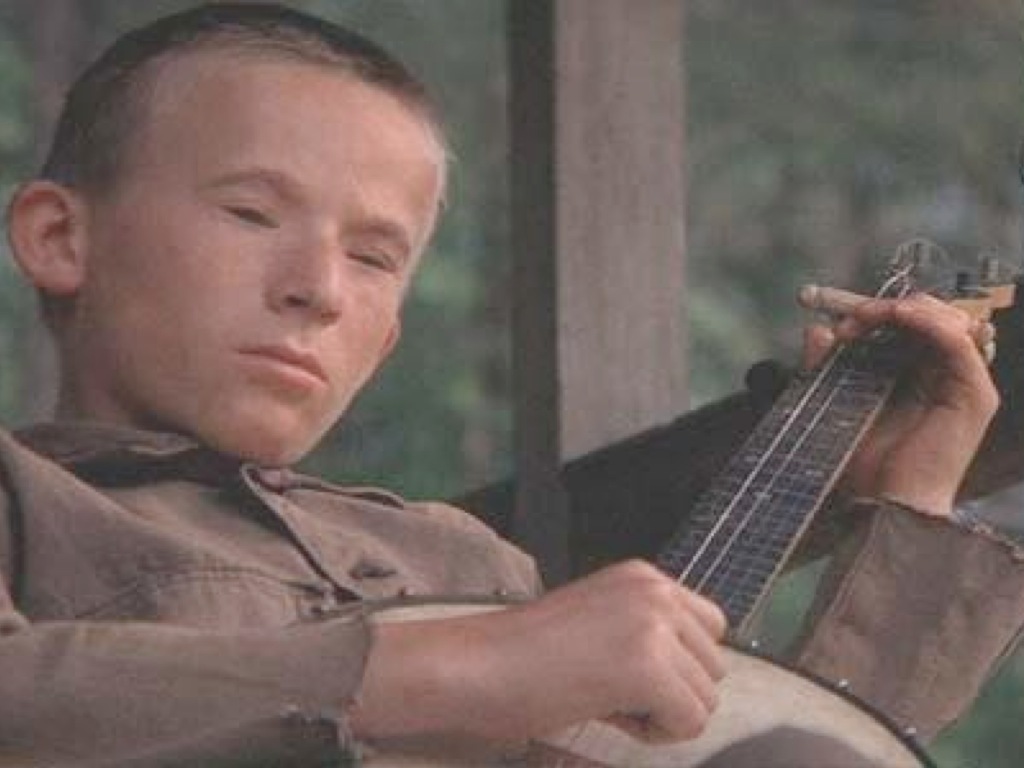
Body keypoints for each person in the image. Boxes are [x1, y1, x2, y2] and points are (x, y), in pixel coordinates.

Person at [0, 3, 1021, 766]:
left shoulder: (460, 559)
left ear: (386, 338)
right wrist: (463, 665)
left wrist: (909, 499)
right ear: (57, 237)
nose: (319, 290)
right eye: (251, 214)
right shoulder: (25, 500)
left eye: (373, 258)